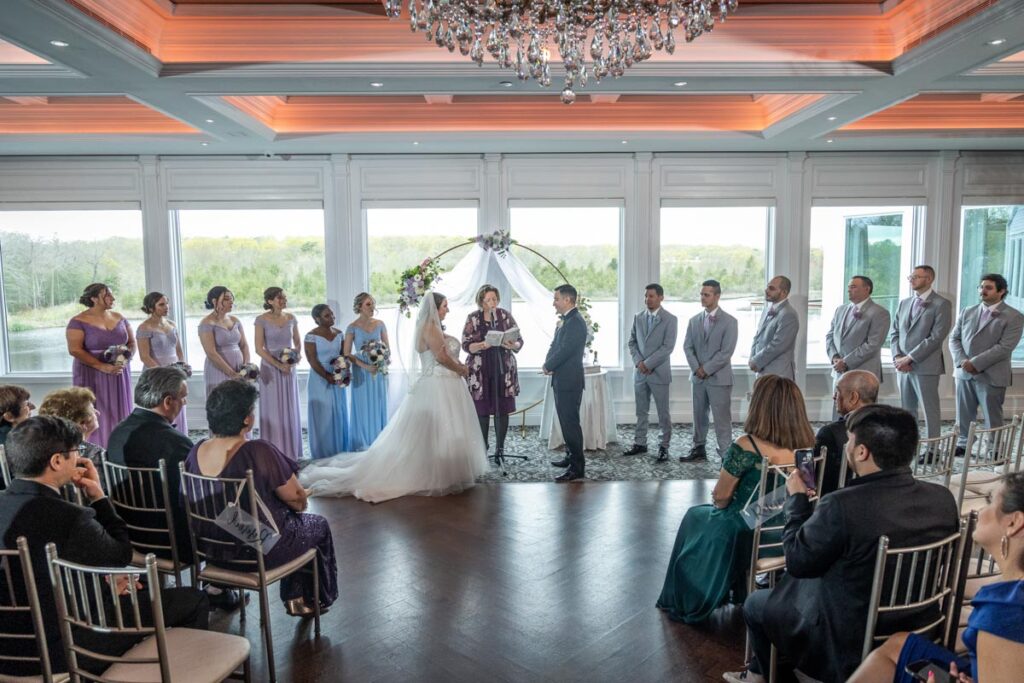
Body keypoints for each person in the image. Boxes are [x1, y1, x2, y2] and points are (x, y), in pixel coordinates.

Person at [727, 405, 960, 683]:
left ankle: (770, 676)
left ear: (862, 452)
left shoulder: (841, 505)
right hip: (920, 627)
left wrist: (797, 500)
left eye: (849, 440)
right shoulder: (942, 498)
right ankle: (761, 671)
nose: (847, 446)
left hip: (848, 640)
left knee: (756, 603)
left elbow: (798, 562)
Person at [0, 415, 208, 677]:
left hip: (8, 648)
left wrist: (102, 584)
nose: (78, 457)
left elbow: (38, 572)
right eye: (75, 451)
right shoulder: (71, 517)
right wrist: (98, 496)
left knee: (133, 587)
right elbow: (121, 554)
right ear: (57, 461)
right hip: (65, 647)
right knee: (194, 600)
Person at [301, 293, 488, 502]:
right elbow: (441, 356)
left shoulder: (426, 327)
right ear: (435, 308)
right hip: (437, 382)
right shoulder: (429, 327)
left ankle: (447, 466)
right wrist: (461, 369)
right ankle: (434, 470)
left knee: (441, 428)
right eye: (445, 305)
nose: (448, 309)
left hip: (441, 381)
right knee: (435, 428)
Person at [656, 375, 814, 624]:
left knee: (695, 515)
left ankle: (689, 597)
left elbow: (721, 498)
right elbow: (806, 492)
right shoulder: (806, 448)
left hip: (748, 532)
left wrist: (721, 503)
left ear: (761, 407)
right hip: (790, 532)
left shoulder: (747, 445)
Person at [848, 472, 1024, 683]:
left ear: (1014, 522)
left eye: (989, 501)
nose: (980, 510)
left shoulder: (1005, 612)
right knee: (899, 644)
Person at [185, 379, 338, 616]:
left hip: (209, 549)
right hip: (254, 549)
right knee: (316, 524)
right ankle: (299, 599)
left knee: (257, 519)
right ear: (247, 419)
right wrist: (298, 501)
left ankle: (217, 588)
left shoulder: (195, 450)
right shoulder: (257, 450)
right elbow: (297, 499)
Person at [106, 367, 193, 563]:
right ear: (168, 402)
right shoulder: (176, 443)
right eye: (183, 397)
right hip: (170, 542)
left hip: (127, 534)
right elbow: (194, 495)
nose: (185, 402)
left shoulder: (117, 433)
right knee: (233, 518)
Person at [950, 273, 1024, 456]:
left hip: (992, 374)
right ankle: (963, 443)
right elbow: (954, 338)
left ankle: (995, 448)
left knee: (992, 415)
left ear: (1001, 291)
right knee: (963, 412)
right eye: (981, 287)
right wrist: (962, 361)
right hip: (964, 373)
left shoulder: (1014, 316)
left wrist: (975, 363)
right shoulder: (967, 311)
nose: (982, 291)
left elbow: (1005, 347)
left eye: (988, 288)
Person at [65, 282, 135, 448]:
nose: (113, 298)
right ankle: (95, 449)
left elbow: (131, 342)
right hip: (91, 372)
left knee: (118, 409)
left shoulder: (120, 317)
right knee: (95, 411)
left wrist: (122, 361)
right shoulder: (78, 321)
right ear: (94, 298)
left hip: (118, 371)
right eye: (107, 295)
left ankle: (120, 447)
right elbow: (74, 349)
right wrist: (102, 366)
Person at [462, 284, 524, 465]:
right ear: (481, 301)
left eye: (495, 299)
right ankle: (483, 448)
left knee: (502, 409)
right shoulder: (473, 318)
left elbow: (519, 340)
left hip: (502, 368)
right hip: (480, 371)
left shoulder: (505, 315)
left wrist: (513, 344)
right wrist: (483, 344)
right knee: (482, 411)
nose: (492, 303)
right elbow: (466, 344)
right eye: (488, 299)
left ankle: (500, 449)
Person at [891, 265, 952, 439]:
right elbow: (895, 332)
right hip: (902, 367)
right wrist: (898, 357)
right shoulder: (904, 303)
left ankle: (933, 447)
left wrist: (909, 358)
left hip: (926, 366)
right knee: (906, 410)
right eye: (910, 276)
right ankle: (909, 443)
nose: (912, 280)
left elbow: (936, 337)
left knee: (929, 409)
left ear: (929, 279)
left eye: (916, 277)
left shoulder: (941, 304)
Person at [682, 279, 738, 462]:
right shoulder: (693, 321)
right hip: (697, 378)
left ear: (717, 296)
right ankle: (698, 448)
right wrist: (696, 369)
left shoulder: (730, 322)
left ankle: (726, 455)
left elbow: (726, 352)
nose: (702, 297)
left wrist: (706, 369)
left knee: (722, 418)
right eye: (701, 294)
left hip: (719, 378)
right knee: (699, 416)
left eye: (706, 294)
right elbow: (687, 347)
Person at [625, 283, 678, 462]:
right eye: (646, 296)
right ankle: (640, 443)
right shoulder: (638, 317)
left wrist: (648, 364)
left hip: (659, 372)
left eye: (651, 296)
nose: (647, 299)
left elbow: (668, 347)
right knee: (641, 411)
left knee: (663, 412)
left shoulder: (670, 319)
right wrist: (639, 362)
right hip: (640, 373)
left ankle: (664, 446)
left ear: (661, 297)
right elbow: (632, 342)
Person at [825, 275, 890, 417]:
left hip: (864, 372)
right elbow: (830, 336)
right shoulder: (840, 309)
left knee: (862, 415)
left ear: (867, 289)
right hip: (839, 371)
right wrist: (835, 357)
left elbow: (873, 344)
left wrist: (846, 362)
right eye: (849, 287)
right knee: (838, 410)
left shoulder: (879, 312)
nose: (849, 290)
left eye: (853, 287)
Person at [544, 284, 588, 482]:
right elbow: (555, 345)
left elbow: (566, 350)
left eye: (556, 299)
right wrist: (547, 363)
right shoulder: (566, 321)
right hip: (562, 379)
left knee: (570, 424)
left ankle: (577, 468)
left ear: (568, 300)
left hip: (570, 381)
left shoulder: (576, 322)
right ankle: (570, 457)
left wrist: (549, 365)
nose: (554, 303)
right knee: (566, 422)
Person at [254, 287, 303, 461]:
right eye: (279, 298)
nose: (283, 300)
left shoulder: (291, 318)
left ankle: (291, 449)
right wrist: (278, 364)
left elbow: (297, 342)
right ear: (269, 301)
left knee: (289, 405)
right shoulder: (261, 320)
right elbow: (259, 348)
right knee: (273, 407)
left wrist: (293, 359)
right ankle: (273, 449)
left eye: (284, 297)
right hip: (270, 367)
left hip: (288, 367)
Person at [815, 369, 878, 495]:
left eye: (838, 392)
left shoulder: (830, 433)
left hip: (839, 501)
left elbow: (818, 481)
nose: (834, 396)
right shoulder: (893, 427)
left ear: (854, 397)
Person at [136, 291, 188, 434]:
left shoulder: (172, 324)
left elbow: (179, 350)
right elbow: (145, 357)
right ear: (151, 307)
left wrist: (182, 367)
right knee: (161, 406)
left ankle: (179, 436)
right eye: (161, 304)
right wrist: (163, 375)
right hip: (156, 373)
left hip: (175, 370)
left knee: (178, 403)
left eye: (167, 303)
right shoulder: (144, 328)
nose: (167, 307)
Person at [304, 304, 350, 458]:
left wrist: (343, 371)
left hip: (337, 376)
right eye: (327, 315)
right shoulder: (311, 336)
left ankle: (339, 448)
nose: (332, 317)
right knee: (323, 413)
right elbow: (311, 359)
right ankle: (323, 451)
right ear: (317, 319)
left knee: (338, 411)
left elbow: (343, 355)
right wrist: (327, 376)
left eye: (332, 314)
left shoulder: (339, 334)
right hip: (319, 377)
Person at [345, 292, 389, 451]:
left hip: (378, 369)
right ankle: (362, 441)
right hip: (361, 371)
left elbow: (387, 348)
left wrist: (383, 360)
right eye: (368, 304)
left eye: (373, 304)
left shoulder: (380, 324)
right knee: (363, 406)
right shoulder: (352, 327)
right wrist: (365, 366)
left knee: (378, 403)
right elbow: (347, 353)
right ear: (359, 307)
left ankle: (379, 440)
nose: (372, 307)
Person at [198, 285, 250, 399]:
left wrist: (246, 367)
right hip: (218, 369)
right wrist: (232, 374)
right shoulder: (206, 323)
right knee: (221, 403)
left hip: (239, 368)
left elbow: (244, 345)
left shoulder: (235, 320)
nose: (231, 301)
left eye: (231, 298)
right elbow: (211, 353)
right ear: (214, 301)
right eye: (226, 299)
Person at [748, 276, 799, 381]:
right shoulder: (766, 310)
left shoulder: (789, 314)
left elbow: (778, 345)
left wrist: (756, 361)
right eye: (767, 287)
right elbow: (757, 337)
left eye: (771, 288)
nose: (766, 290)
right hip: (761, 372)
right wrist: (752, 358)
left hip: (778, 375)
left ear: (784, 292)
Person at [37, 387, 105, 463]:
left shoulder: (40, 452)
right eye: (92, 409)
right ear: (82, 422)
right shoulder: (97, 455)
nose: (98, 412)